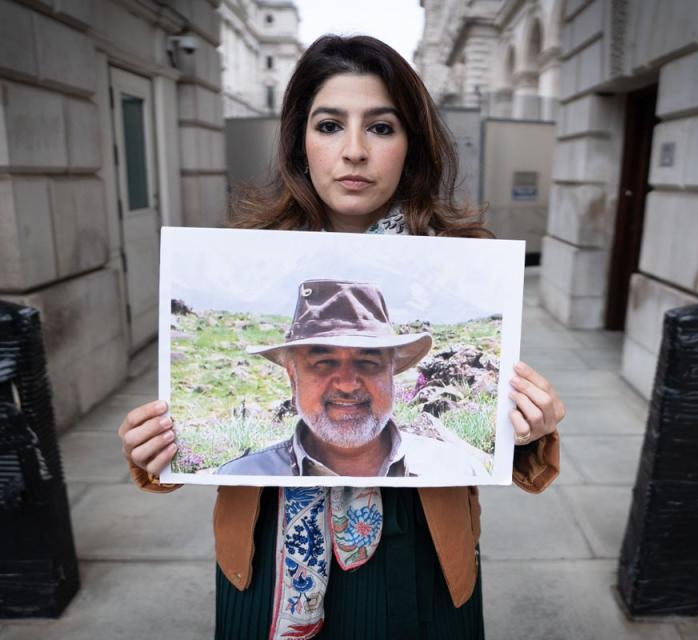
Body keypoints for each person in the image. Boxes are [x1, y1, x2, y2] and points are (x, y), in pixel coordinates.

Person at [118, 34, 565, 640]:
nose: (354, 151)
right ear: (300, 142)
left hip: (422, 556)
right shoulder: (246, 253)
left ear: (412, 145)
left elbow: (500, 430)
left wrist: (531, 429)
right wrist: (160, 451)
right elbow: (187, 441)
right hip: (268, 564)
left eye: (381, 128)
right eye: (330, 125)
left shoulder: (464, 264)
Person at [217, 278, 489, 478]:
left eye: (368, 361)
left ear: (392, 374)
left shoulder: (455, 470)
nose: (347, 384)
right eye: (323, 362)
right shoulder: (243, 478)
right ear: (293, 377)